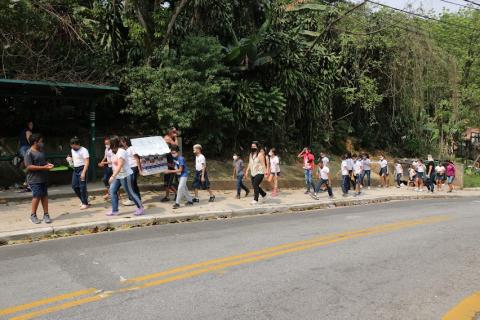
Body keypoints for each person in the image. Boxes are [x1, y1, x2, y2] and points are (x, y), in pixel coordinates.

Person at [106, 136, 144, 216]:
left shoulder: (121, 152)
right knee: (112, 191)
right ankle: (115, 210)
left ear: (114, 144)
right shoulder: (113, 152)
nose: (108, 145)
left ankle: (140, 207)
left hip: (126, 175)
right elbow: (114, 164)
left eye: (109, 144)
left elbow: (120, 165)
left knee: (130, 192)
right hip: (118, 176)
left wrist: (112, 176)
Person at [24, 134, 54, 224]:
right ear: (35, 142)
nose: (42, 143)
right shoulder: (29, 152)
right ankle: (33, 215)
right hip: (34, 179)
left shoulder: (41, 151)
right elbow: (29, 166)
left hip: (43, 178)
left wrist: (48, 164)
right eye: (40, 141)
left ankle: (46, 214)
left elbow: (43, 162)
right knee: (37, 196)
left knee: (44, 196)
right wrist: (44, 168)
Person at [67, 137, 90, 210]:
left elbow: (87, 162)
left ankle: (85, 203)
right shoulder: (72, 150)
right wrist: (70, 161)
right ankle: (84, 200)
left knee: (82, 187)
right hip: (76, 169)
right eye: (72, 146)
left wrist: (83, 172)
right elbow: (73, 158)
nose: (73, 148)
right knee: (74, 186)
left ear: (78, 144)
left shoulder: (84, 150)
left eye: (75, 146)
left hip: (82, 168)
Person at [122, 136, 142, 206]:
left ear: (125, 142)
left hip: (133, 167)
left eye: (122, 141)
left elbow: (137, 158)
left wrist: (139, 169)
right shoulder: (125, 149)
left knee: (131, 184)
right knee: (133, 184)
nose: (121, 143)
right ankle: (137, 198)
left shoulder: (131, 148)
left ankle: (132, 199)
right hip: (129, 168)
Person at [162, 127, 179, 202]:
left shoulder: (170, 138)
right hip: (168, 162)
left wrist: (175, 137)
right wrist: (175, 137)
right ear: (170, 132)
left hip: (170, 163)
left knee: (168, 183)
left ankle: (176, 194)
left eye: (175, 131)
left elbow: (176, 147)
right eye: (174, 132)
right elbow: (176, 146)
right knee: (167, 183)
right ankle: (168, 196)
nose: (175, 133)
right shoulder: (167, 138)